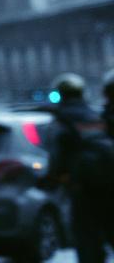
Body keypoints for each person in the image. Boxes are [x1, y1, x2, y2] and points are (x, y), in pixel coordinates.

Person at [41, 73, 114, 263]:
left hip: (82, 187)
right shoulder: (95, 115)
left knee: (87, 236)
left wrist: (52, 179)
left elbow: (57, 155)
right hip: (108, 182)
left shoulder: (60, 120)